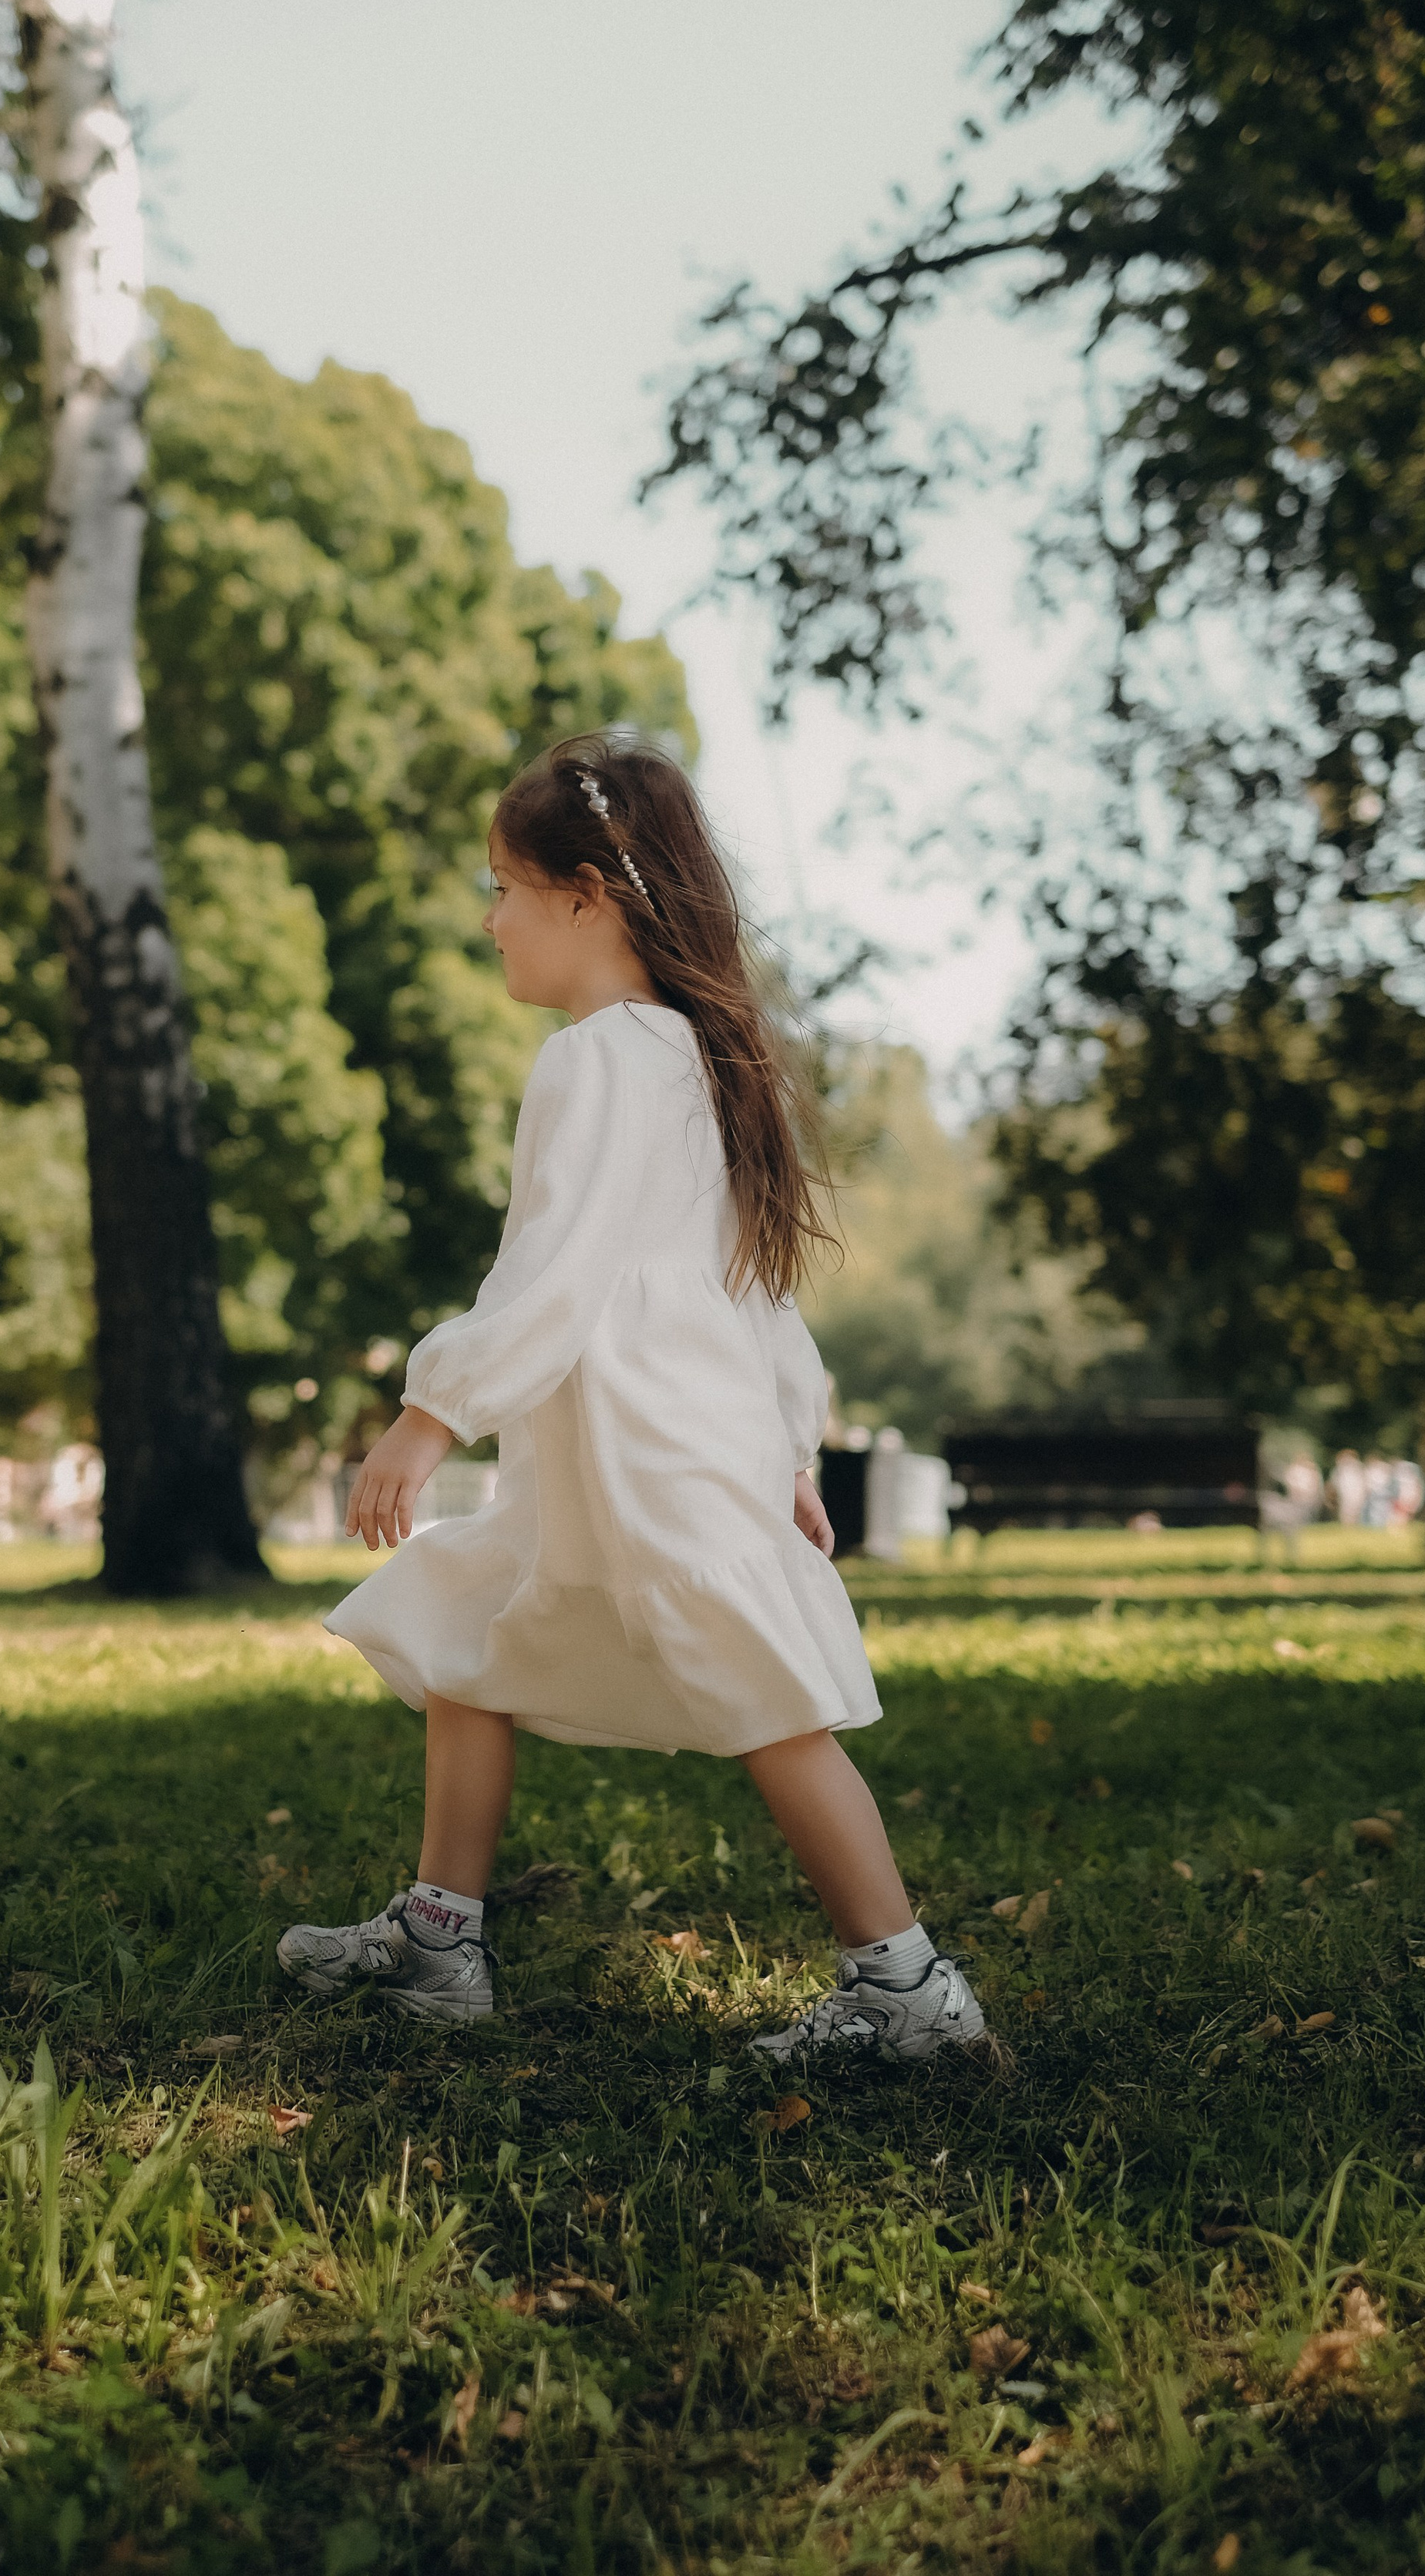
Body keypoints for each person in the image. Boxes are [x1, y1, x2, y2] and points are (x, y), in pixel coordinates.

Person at [277, 734, 988, 2070]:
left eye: (503, 887)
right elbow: (757, 1290)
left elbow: (555, 1272)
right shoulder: (703, 1060)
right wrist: (789, 1447)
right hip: (623, 1460)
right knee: (469, 1638)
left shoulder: (599, 1060)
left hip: (650, 1461)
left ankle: (905, 1996)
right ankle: (442, 1936)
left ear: (589, 895)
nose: (489, 919)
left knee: (772, 1708)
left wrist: (433, 1411)